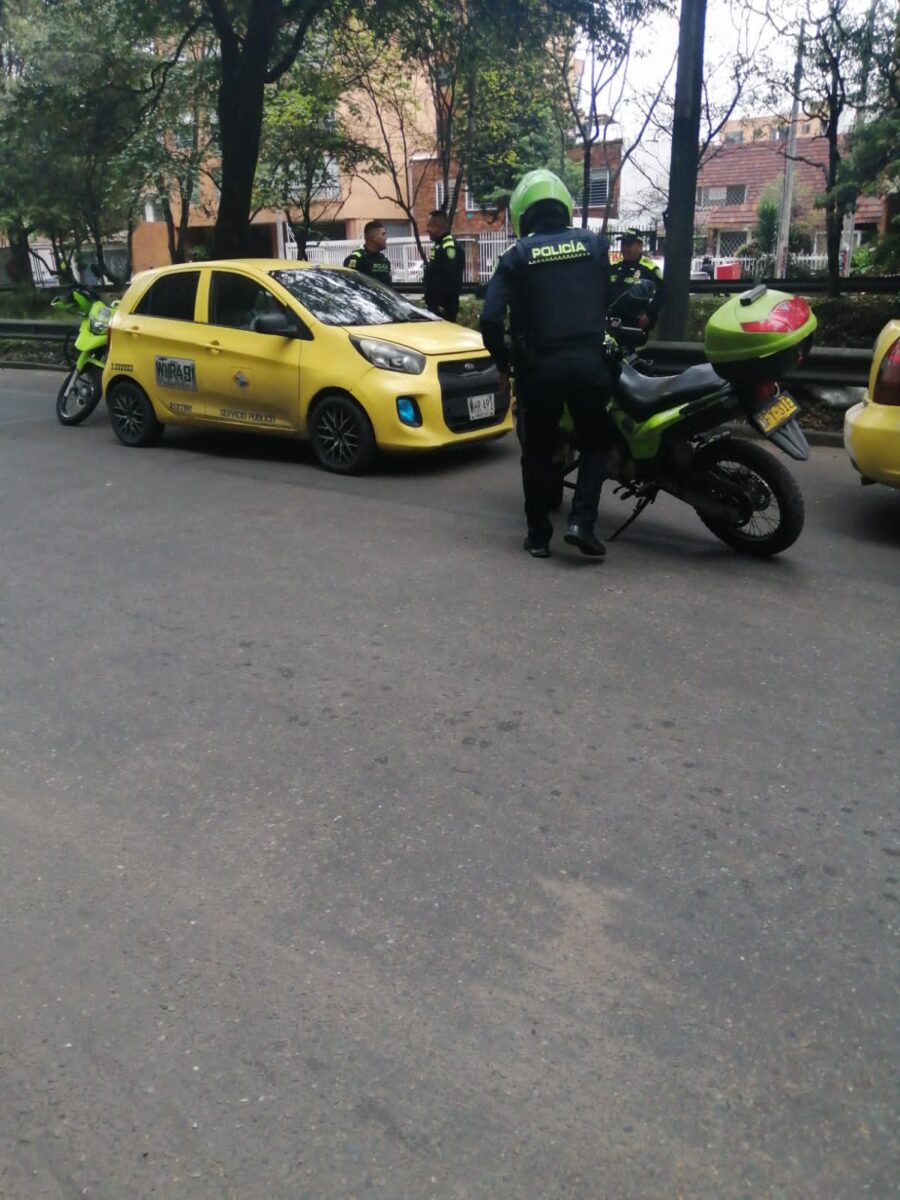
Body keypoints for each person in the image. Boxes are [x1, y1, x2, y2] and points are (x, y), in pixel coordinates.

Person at [480, 169, 613, 560]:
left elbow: (489, 319)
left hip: (539, 370)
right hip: (590, 364)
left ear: (523, 213)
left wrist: (503, 362)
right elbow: (606, 297)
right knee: (596, 443)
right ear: (565, 207)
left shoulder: (516, 256)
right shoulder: (594, 244)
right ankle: (582, 523)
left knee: (537, 451)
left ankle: (538, 537)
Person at [608, 228, 666, 330]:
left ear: (640, 247)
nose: (625, 248)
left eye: (629, 245)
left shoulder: (650, 269)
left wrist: (649, 314)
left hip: (636, 327)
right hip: (612, 325)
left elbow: (662, 294)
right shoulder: (614, 267)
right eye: (623, 244)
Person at [423, 209, 464, 320]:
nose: (427, 230)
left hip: (443, 308)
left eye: (429, 226)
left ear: (438, 227)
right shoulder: (439, 244)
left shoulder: (449, 247)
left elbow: (451, 280)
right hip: (436, 306)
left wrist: (441, 306)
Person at [343, 220, 393, 287]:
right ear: (373, 237)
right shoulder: (356, 259)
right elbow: (351, 287)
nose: (386, 238)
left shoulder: (383, 259)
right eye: (383, 234)